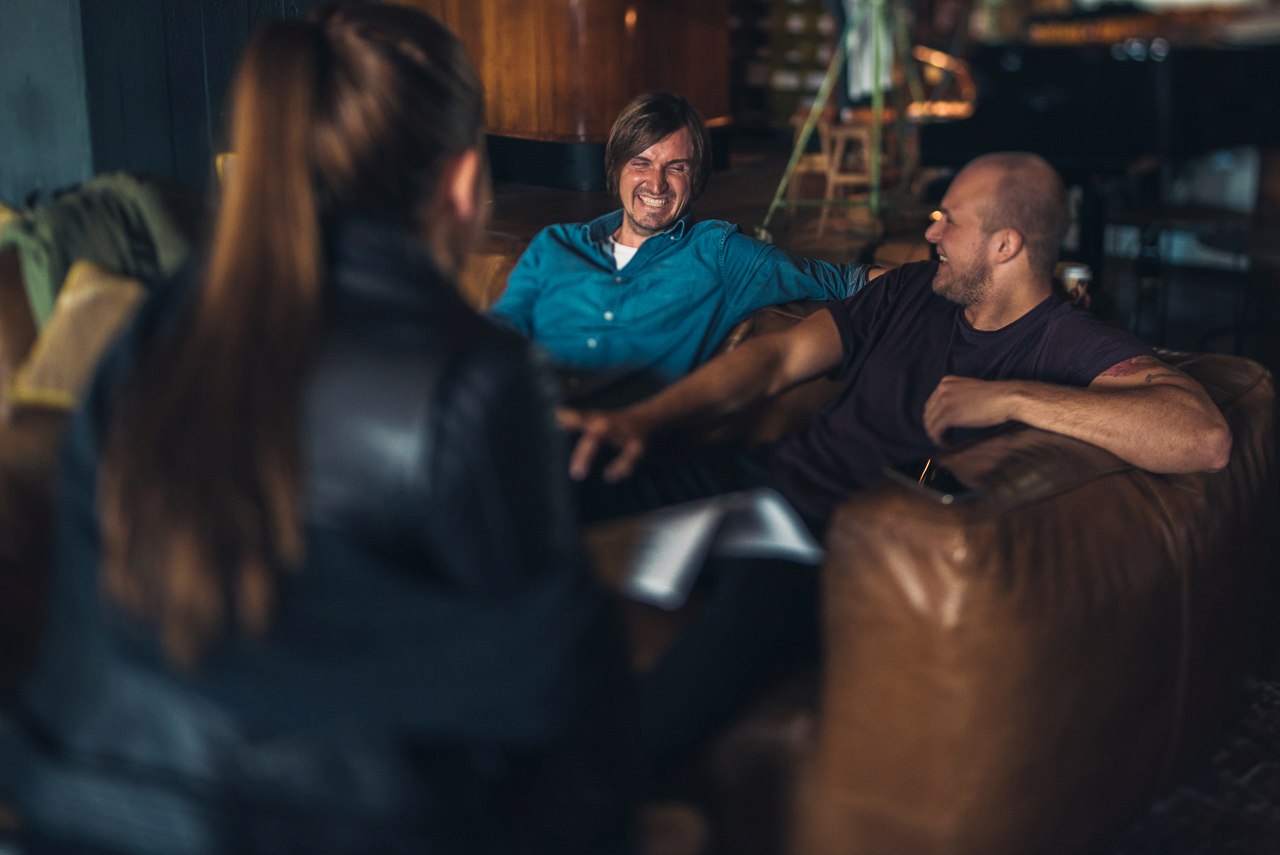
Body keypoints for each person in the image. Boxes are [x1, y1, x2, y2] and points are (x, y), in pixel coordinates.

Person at [0, 3, 633, 853]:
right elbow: (543, 692)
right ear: (463, 181)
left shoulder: (152, 332)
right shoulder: (475, 379)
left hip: (78, 806)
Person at [561, 151, 1232, 771]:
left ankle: (581, 795)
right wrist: (638, 421)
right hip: (760, 483)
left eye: (951, 221)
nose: (932, 232)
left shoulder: (1063, 341)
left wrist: (1013, 398)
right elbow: (776, 359)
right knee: (568, 462)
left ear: (1006, 246)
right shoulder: (912, 289)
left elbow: (1202, 435)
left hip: (834, 542)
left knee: (737, 624)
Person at [489, 90, 885, 389]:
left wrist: (937, 282)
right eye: (640, 163)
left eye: (674, 167)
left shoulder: (721, 254)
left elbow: (842, 280)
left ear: (695, 177)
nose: (656, 183)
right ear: (616, 169)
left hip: (630, 450)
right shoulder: (555, 245)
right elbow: (495, 339)